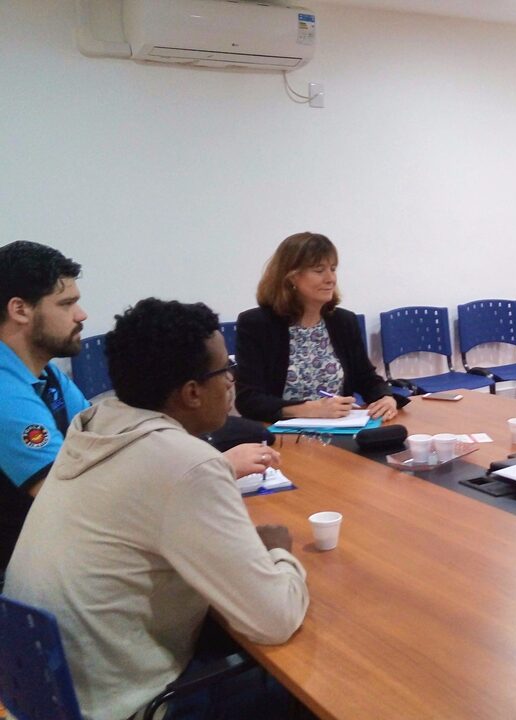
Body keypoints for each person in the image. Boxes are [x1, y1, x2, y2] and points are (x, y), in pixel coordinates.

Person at [4, 298, 310, 720]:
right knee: (308, 679)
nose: (232, 381)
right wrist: (279, 553)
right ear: (191, 392)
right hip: (131, 706)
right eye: (226, 370)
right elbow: (274, 619)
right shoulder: (184, 463)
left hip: (52, 695)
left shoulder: (94, 425)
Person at [235, 231, 409, 423]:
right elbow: (248, 400)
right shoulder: (257, 324)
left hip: (338, 430)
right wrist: (307, 409)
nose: (330, 279)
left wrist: (385, 397)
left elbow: (366, 377)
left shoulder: (343, 321)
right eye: (319, 271)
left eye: (333, 269)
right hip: (280, 436)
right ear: (291, 277)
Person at [0, 241, 90, 582]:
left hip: (50, 551)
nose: (81, 315)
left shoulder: (45, 374)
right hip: (20, 578)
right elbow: (63, 495)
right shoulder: (4, 391)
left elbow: (105, 440)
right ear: (20, 310)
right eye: (67, 304)